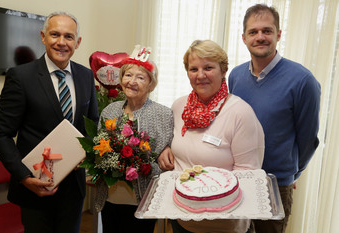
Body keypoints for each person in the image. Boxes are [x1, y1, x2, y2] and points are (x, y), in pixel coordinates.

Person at [0, 12, 98, 233]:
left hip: (73, 190)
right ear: (43, 36)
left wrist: (86, 153)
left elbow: (92, 124)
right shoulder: (21, 77)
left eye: (68, 36)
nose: (61, 42)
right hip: (35, 188)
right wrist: (25, 177)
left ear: (77, 42)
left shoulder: (86, 76)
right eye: (54, 34)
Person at [228, 4, 321, 233]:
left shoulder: (303, 80)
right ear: (244, 37)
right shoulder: (235, 76)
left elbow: (308, 139)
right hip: (238, 181)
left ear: (278, 34)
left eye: (267, 31)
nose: (260, 37)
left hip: (275, 185)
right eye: (253, 32)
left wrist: (291, 174)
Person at [158, 40, 264, 233]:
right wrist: (165, 150)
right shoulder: (178, 107)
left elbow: (248, 176)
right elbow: (174, 143)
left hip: (222, 224)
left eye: (208, 67)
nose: (200, 76)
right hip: (181, 216)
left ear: (223, 70)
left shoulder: (240, 113)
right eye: (193, 69)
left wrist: (206, 196)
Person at [94, 45, 174, 233]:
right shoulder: (109, 111)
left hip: (143, 199)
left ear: (151, 84)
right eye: (128, 75)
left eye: (140, 77)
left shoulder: (164, 114)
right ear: (121, 80)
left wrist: (166, 148)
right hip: (110, 196)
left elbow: (170, 148)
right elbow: (99, 148)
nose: (132, 81)